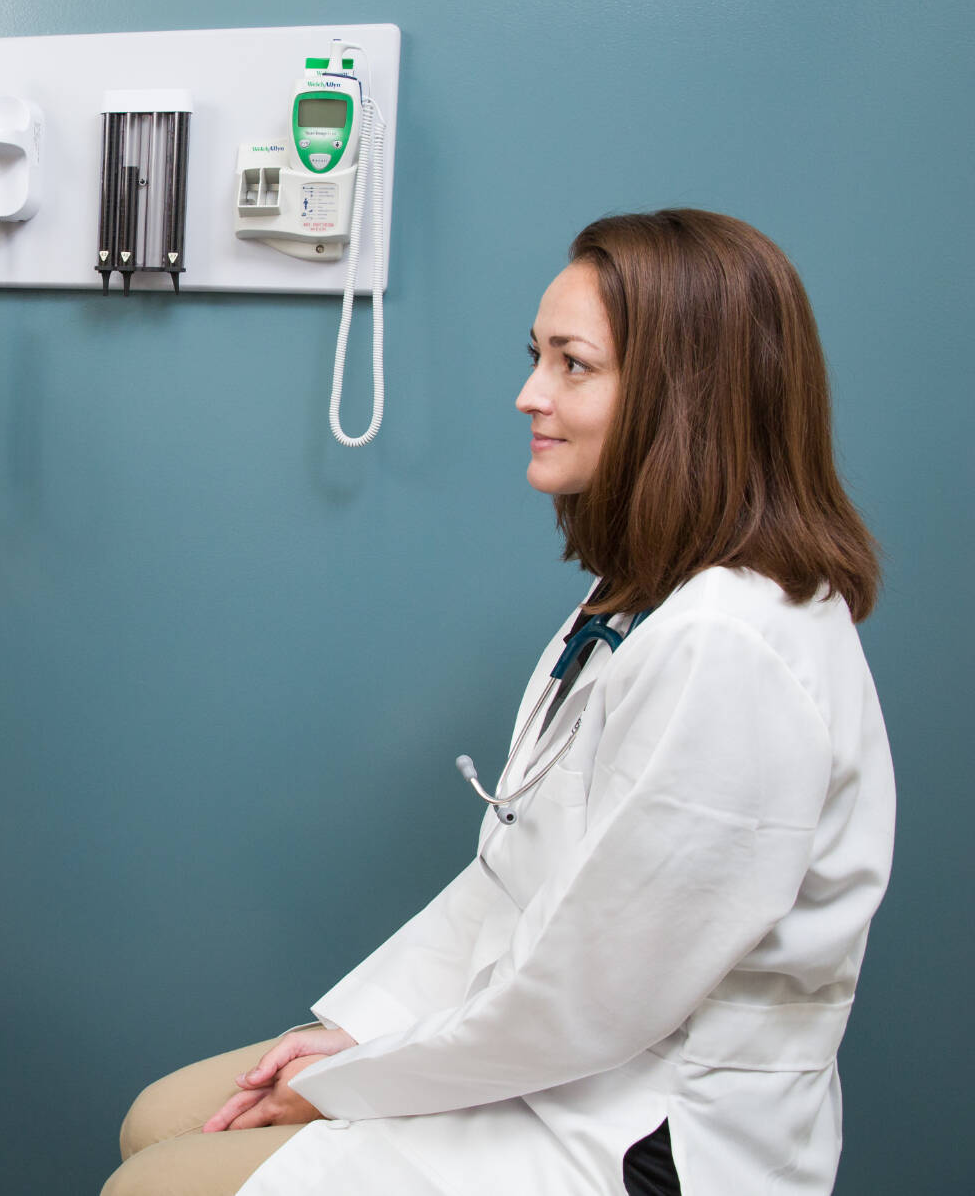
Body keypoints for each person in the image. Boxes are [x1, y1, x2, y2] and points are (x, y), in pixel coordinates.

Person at [106, 209, 894, 1196]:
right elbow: (512, 877)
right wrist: (356, 1025)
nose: (529, 394)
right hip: (546, 1052)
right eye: (537, 357)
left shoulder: (727, 645)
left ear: (679, 395)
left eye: (572, 365)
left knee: (153, 1186)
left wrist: (352, 1081)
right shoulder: (635, 599)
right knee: (155, 1121)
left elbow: (592, 1002)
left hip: (642, 1128)